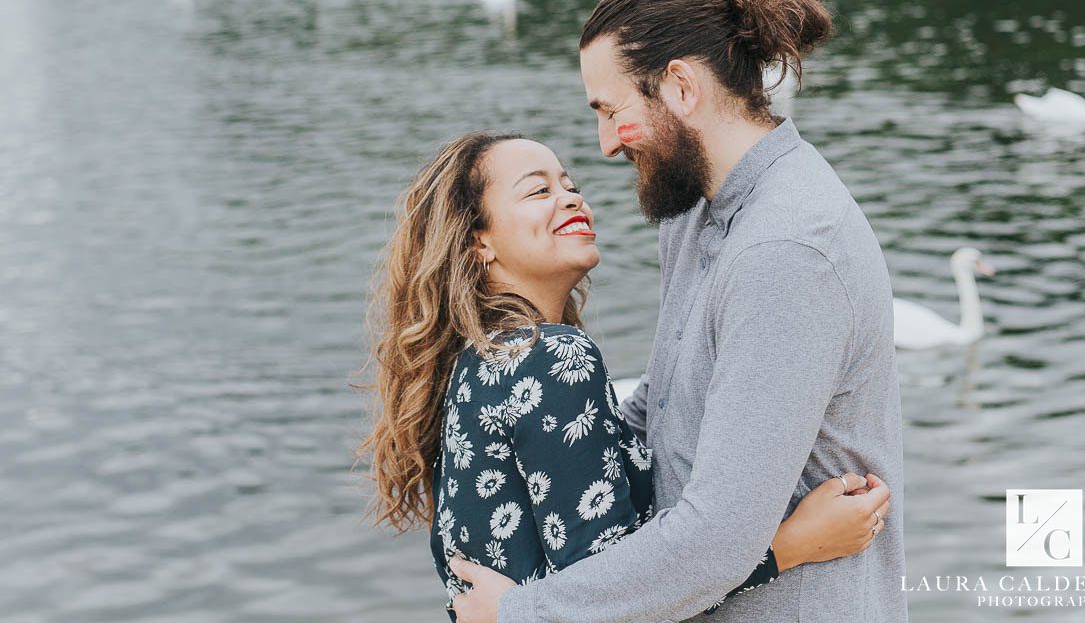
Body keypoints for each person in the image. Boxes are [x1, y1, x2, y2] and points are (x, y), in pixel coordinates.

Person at [447, 0, 907, 623]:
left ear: (681, 89)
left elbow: (715, 539)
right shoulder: (694, 212)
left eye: (611, 110)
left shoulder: (786, 253)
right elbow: (658, 419)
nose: (605, 145)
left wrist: (523, 612)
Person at [357, 131, 893, 621]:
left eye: (570, 184)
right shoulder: (553, 361)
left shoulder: (482, 361)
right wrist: (791, 545)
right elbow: (615, 601)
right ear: (479, 243)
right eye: (537, 191)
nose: (571, 197)